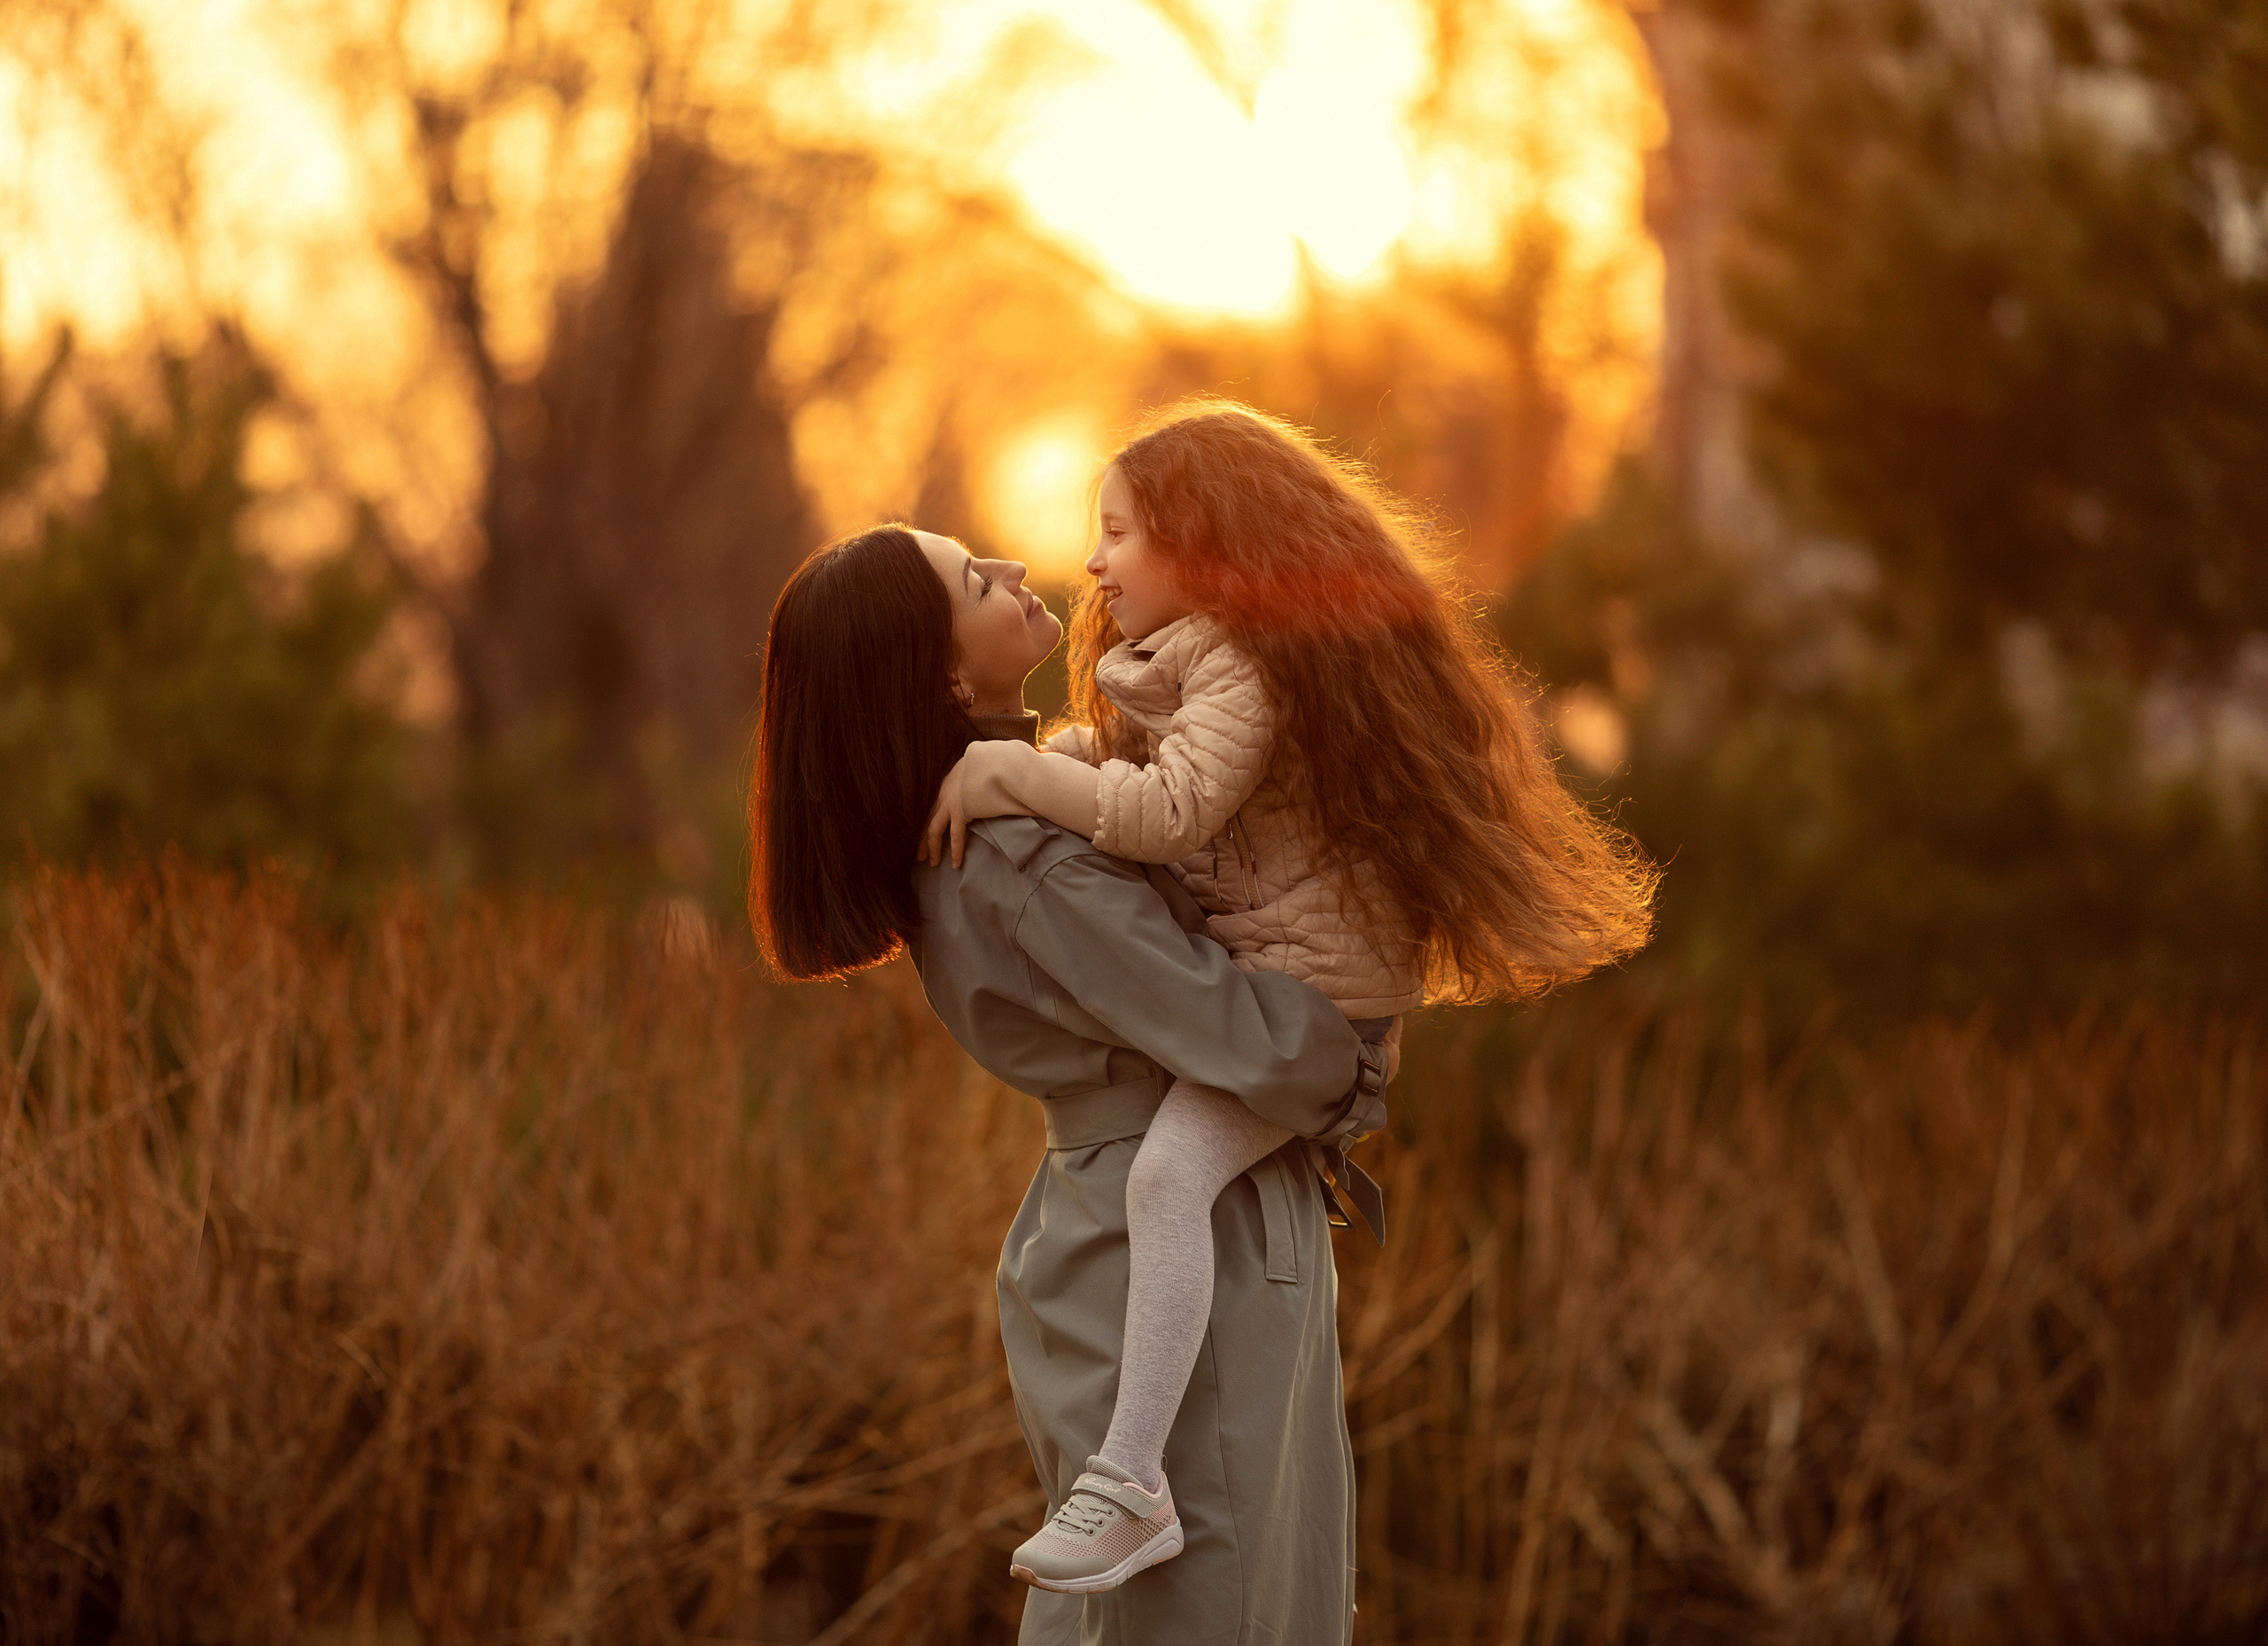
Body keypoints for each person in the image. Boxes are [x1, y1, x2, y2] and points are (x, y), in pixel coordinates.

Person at [920, 400, 1658, 1590]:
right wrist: (1064, 757)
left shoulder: (1243, 667)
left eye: (1117, 531)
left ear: (1200, 544)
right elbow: (1166, 772)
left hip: (1314, 1002)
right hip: (1284, 982)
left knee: (1169, 1177)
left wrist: (1013, 766)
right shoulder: (1204, 656)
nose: (1094, 560)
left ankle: (1130, 1482)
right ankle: (1130, 1481)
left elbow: (1169, 815)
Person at [749, 522, 1391, 1642]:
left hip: (1122, 1224)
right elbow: (1247, 1035)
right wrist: (1363, 1024)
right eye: (971, 580)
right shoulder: (1019, 856)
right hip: (1179, 1236)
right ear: (942, 672)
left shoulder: (1007, 812)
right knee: (1210, 1602)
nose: (1009, 568)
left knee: (1160, 1603)